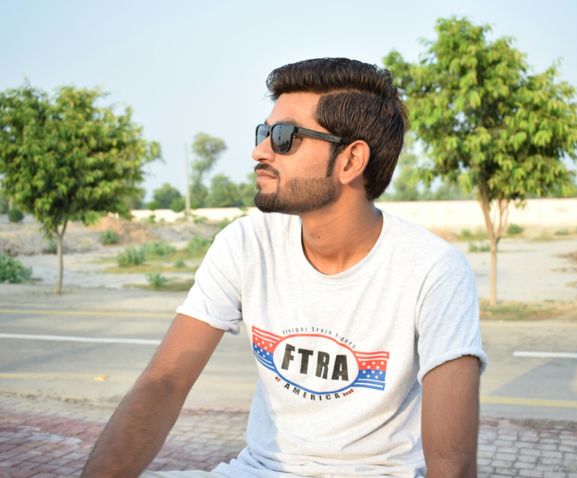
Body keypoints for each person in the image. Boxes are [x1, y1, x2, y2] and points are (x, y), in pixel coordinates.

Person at [81, 57, 487, 478]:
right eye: (264, 132)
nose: (260, 151)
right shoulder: (247, 244)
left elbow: (451, 462)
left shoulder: (433, 270)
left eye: (284, 137)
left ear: (351, 161)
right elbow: (165, 381)